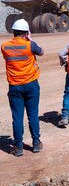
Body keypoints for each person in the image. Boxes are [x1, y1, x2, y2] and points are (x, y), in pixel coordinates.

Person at [1, 19, 44, 157]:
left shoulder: (4, 46)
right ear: (26, 32)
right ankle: (36, 143)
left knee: (17, 117)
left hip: (15, 86)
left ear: (13, 32)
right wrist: (30, 39)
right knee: (33, 115)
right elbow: (41, 52)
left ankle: (18, 147)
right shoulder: (30, 45)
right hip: (31, 85)